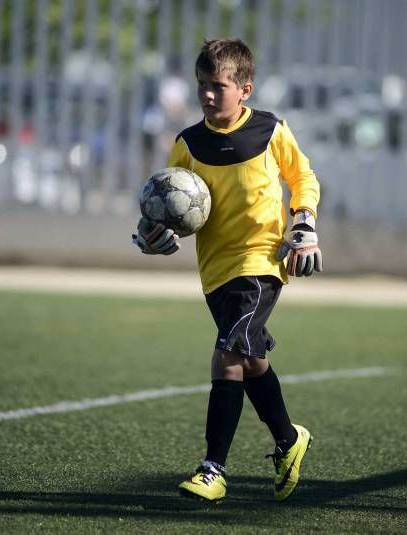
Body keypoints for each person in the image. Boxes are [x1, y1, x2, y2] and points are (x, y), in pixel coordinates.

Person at [132, 38, 323, 502]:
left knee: (227, 356)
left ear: (245, 90)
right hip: (215, 271)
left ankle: (213, 468)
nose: (207, 95)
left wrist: (305, 223)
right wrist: (150, 235)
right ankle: (287, 438)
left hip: (262, 263)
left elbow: (303, 178)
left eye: (218, 86)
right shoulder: (188, 143)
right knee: (250, 358)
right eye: (202, 85)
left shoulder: (271, 131)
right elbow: (163, 200)